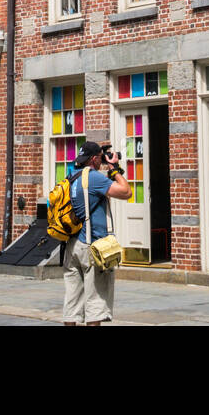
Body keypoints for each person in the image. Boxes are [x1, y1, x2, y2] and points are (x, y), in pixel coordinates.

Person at [63, 140, 132, 326]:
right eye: (99, 158)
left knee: (72, 304)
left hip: (72, 246)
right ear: (94, 159)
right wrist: (115, 168)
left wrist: (102, 158)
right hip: (91, 246)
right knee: (95, 305)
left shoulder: (72, 177)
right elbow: (126, 192)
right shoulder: (93, 178)